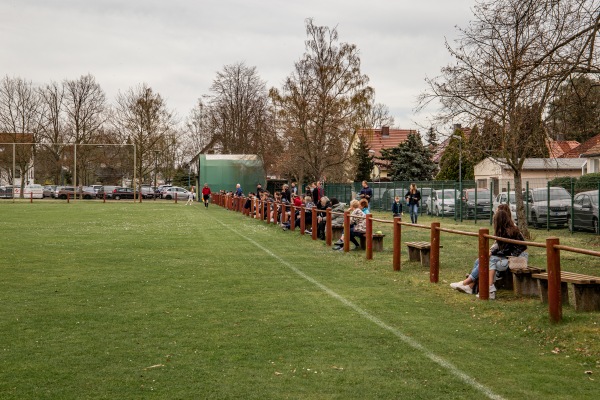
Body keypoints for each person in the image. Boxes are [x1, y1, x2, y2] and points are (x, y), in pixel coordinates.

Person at [450, 209, 528, 300]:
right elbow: (502, 248)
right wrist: (492, 252)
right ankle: (471, 287)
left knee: (489, 260)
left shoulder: (510, 232)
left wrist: (492, 252)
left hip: (517, 260)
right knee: (480, 260)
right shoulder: (504, 230)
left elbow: (507, 250)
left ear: (499, 221)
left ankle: (469, 284)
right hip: (508, 258)